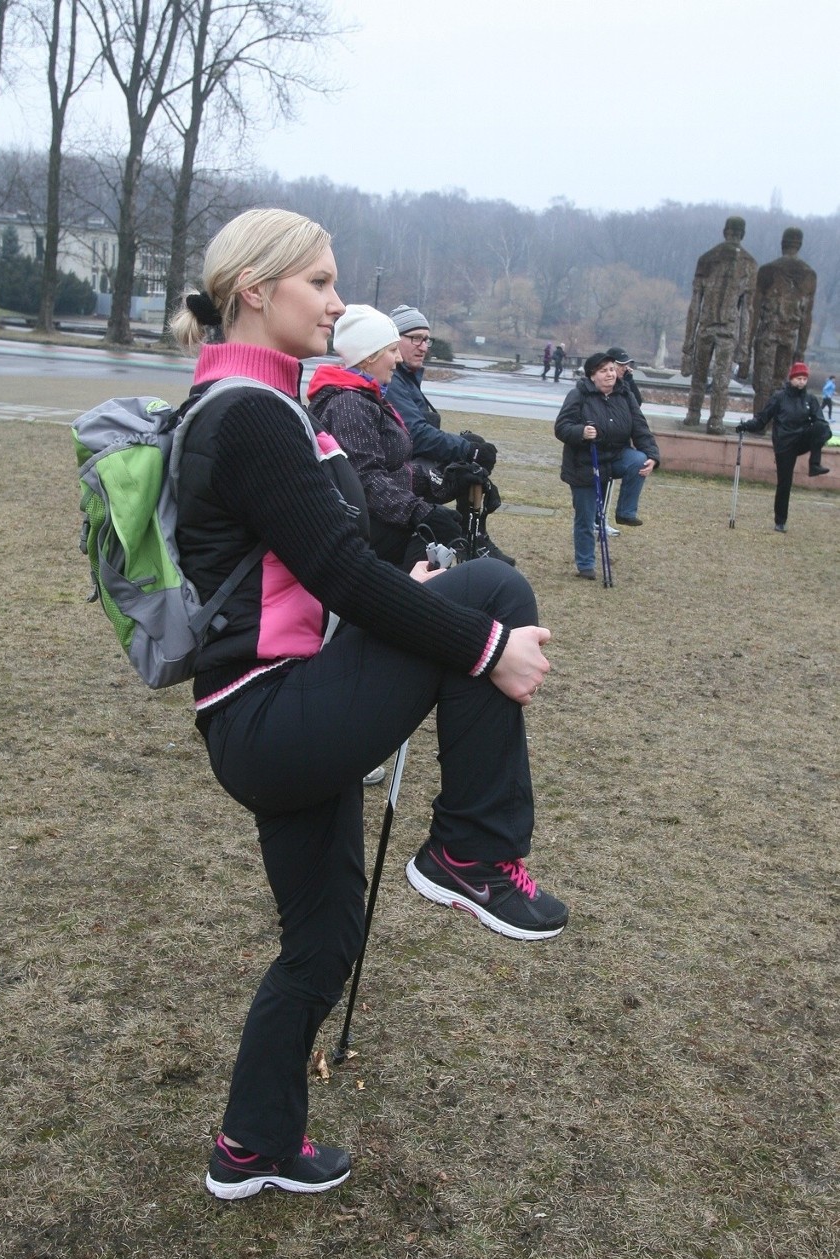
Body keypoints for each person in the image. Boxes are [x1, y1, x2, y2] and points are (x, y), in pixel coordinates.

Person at [168, 208, 569, 1201]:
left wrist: (415, 580)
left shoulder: (257, 404)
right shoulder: (249, 414)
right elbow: (343, 573)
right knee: (496, 594)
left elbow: (325, 565)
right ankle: (472, 847)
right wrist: (481, 649)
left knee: (322, 942)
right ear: (257, 291)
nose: (339, 302)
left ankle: (251, 1145)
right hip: (273, 715)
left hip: (274, 709)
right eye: (320, 281)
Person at [306, 304, 469, 569]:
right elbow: (365, 481)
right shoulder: (349, 403)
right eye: (393, 350)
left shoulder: (366, 396)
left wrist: (445, 480)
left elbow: (394, 471)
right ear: (370, 356)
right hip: (366, 538)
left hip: (381, 526)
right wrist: (421, 512)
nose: (399, 359)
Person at [385, 304, 514, 564]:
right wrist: (468, 450)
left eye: (426, 339)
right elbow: (417, 434)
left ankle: (475, 535)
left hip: (413, 467)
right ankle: (470, 539)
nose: (424, 346)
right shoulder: (393, 381)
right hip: (401, 475)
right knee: (471, 458)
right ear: (393, 339)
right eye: (415, 338)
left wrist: (468, 446)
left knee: (473, 450)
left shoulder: (406, 378)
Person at [554, 352, 660, 579]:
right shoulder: (579, 395)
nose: (610, 374)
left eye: (612, 369)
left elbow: (640, 427)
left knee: (639, 460)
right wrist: (581, 432)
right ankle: (585, 566)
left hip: (616, 457)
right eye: (603, 371)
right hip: (584, 463)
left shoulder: (625, 395)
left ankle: (625, 512)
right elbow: (561, 427)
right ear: (592, 376)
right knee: (586, 516)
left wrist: (652, 454)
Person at [680, 216, 758, 434]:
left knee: (699, 375)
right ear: (742, 234)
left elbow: (694, 306)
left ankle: (693, 414)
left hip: (705, 326)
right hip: (728, 330)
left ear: (725, 231)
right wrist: (744, 347)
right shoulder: (749, 265)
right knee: (721, 379)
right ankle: (715, 420)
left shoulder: (707, 259)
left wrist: (688, 345)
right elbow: (747, 313)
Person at [739, 361, 831, 532]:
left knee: (821, 427)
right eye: (798, 378)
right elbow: (762, 419)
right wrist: (746, 426)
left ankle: (814, 465)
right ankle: (780, 521)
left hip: (801, 439)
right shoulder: (779, 397)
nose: (801, 382)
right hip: (784, 444)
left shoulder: (810, 399)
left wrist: (822, 435)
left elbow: (819, 421)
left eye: (804, 379)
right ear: (791, 379)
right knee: (784, 483)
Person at [742, 227, 817, 413]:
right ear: (799, 245)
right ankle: (775, 424)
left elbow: (755, 311)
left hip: (768, 335)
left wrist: (746, 346)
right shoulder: (809, 275)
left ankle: (761, 422)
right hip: (790, 338)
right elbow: (807, 317)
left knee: (763, 383)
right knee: (780, 384)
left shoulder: (768, 271)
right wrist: (801, 349)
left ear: (782, 243)